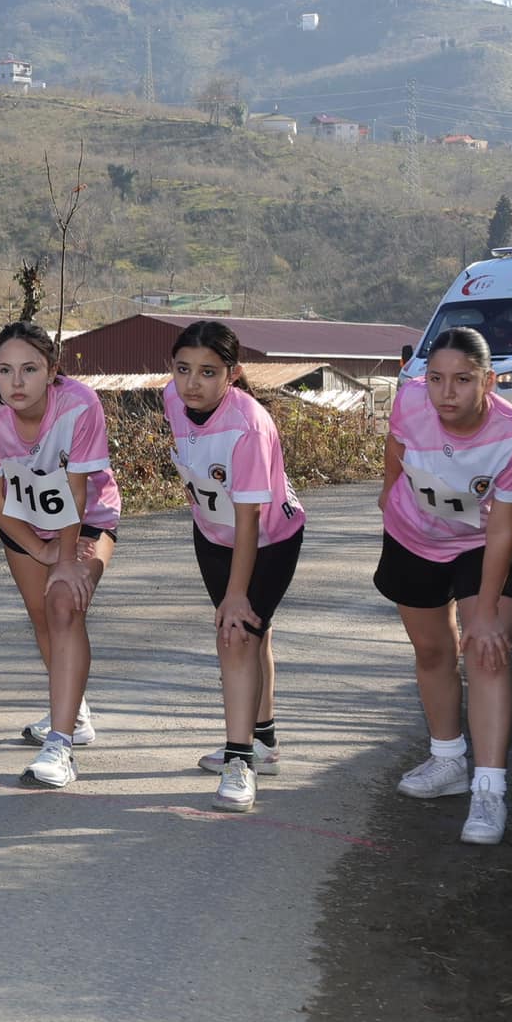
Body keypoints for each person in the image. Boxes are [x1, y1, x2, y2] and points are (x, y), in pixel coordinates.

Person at [377, 327, 512, 846]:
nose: (447, 393)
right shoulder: (410, 402)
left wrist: (487, 611)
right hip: (412, 536)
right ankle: (447, 761)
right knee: (431, 650)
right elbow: (396, 445)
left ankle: (489, 791)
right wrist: (387, 494)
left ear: (488, 382)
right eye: (437, 379)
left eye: (463, 380)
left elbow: (499, 529)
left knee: (488, 651)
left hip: (482, 544)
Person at [0, 321, 122, 790]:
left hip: (87, 514)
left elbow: (76, 487)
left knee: (63, 605)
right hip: (23, 523)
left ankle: (60, 745)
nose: (16, 382)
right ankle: (76, 712)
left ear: (52, 371)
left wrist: (67, 558)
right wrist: (38, 548)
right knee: (40, 616)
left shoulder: (79, 404)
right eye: (5, 369)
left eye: (29, 369)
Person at [163, 321, 305, 813]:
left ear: (233, 373)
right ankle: (262, 742)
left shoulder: (248, 425)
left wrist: (237, 594)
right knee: (252, 637)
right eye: (183, 369)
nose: (192, 383)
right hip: (212, 533)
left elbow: (250, 520)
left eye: (207, 372)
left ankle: (240, 761)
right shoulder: (170, 400)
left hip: (268, 538)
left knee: (237, 633)